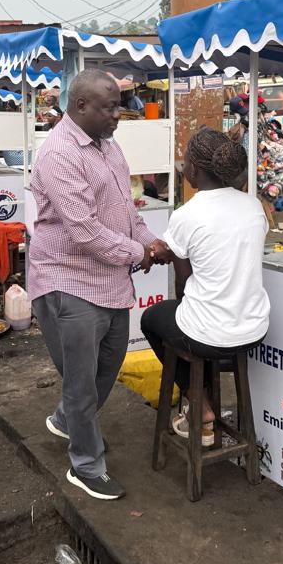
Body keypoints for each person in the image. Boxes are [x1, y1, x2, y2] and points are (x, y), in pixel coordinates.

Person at [27, 70, 166, 501]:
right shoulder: (59, 154)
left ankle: (70, 419)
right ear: (79, 106)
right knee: (83, 381)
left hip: (108, 280)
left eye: (118, 105)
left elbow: (126, 211)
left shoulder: (109, 147)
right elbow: (85, 231)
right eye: (108, 107)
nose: (117, 115)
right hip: (67, 278)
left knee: (108, 366)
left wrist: (148, 241)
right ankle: (85, 465)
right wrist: (137, 254)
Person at [141, 127, 269, 445]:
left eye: (185, 163)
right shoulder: (253, 206)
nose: (183, 168)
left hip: (210, 334)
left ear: (195, 170)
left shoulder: (188, 214)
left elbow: (183, 280)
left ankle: (199, 403)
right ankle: (204, 399)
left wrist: (163, 254)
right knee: (197, 324)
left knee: (152, 319)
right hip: (254, 328)